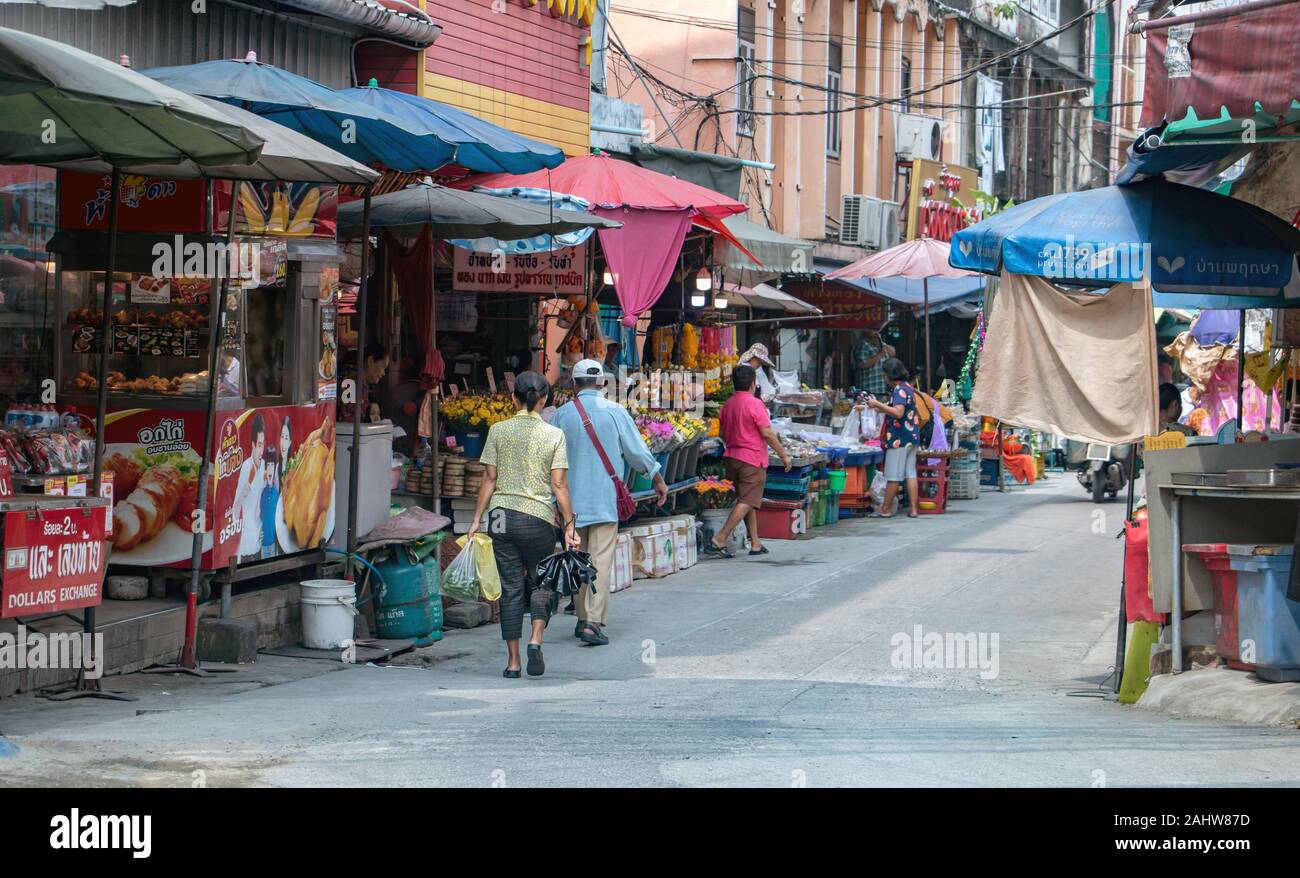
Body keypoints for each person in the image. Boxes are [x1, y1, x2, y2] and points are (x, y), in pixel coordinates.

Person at [466, 371, 578, 679]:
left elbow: (489, 479)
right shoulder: (554, 435)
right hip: (538, 518)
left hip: (500, 516)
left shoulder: (498, 430)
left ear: (513, 398)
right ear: (544, 400)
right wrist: (569, 525)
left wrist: (476, 519)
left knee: (510, 588)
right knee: (542, 581)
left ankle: (513, 662)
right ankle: (536, 638)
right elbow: (559, 485)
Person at [551, 359, 667, 646]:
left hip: (570, 505)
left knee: (577, 557)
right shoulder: (615, 412)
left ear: (573, 383)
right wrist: (656, 477)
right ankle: (591, 622)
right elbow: (637, 453)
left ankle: (582, 617)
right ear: (602, 383)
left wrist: (552, 500)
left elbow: (548, 461)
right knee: (600, 561)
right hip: (604, 500)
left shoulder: (561, 416)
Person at [704, 364, 791, 559]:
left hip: (732, 458)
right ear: (753, 384)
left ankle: (756, 542)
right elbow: (767, 433)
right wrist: (784, 455)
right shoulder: (754, 403)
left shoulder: (728, 404)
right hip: (751, 459)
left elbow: (722, 434)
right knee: (747, 500)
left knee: (747, 499)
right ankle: (720, 538)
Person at [866, 358, 921, 519]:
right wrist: (878, 407)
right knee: (910, 473)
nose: (884, 378)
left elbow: (898, 412)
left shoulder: (899, 390)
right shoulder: (908, 388)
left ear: (890, 375)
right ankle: (913, 509)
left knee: (893, 476)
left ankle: (886, 509)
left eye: (884, 375)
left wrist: (877, 404)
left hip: (899, 439)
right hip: (911, 437)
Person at [234, 413, 268, 559]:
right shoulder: (246, 468)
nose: (261, 450)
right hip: (245, 545)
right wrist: (243, 494)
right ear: (253, 445)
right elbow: (235, 510)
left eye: (263, 445)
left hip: (261, 541)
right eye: (259, 445)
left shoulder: (266, 467)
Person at [338, 342, 390, 423]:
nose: (384, 373)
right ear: (370, 361)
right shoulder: (352, 381)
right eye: (383, 367)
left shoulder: (361, 382)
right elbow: (349, 420)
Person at [855, 329, 892, 397]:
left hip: (881, 388)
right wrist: (880, 355)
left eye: (876, 329)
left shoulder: (880, 343)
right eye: (872, 329)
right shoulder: (863, 344)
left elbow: (892, 352)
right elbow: (862, 364)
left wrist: (881, 343)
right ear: (865, 330)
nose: (875, 331)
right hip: (868, 388)